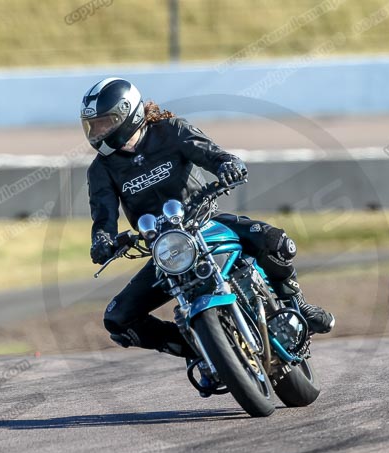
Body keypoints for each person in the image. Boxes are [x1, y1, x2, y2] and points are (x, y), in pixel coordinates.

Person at [81, 77, 335, 389]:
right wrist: (102, 241)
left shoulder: (170, 129)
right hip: (165, 248)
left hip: (204, 221)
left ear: (128, 114)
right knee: (118, 320)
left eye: (105, 123)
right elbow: (103, 216)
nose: (98, 133)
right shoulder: (100, 169)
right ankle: (199, 346)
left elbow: (212, 154)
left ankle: (297, 305)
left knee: (276, 242)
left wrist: (228, 165)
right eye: (93, 126)